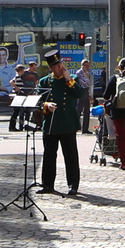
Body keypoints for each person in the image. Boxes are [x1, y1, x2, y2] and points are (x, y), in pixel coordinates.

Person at [37, 53, 85, 197]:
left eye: (61, 64)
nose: (61, 67)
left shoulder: (72, 79)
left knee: (70, 156)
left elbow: (79, 93)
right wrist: (46, 105)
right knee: (49, 155)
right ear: (52, 68)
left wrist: (68, 79)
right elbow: (38, 101)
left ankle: (73, 185)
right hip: (51, 123)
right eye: (57, 66)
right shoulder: (45, 81)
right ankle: (47, 184)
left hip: (67, 123)